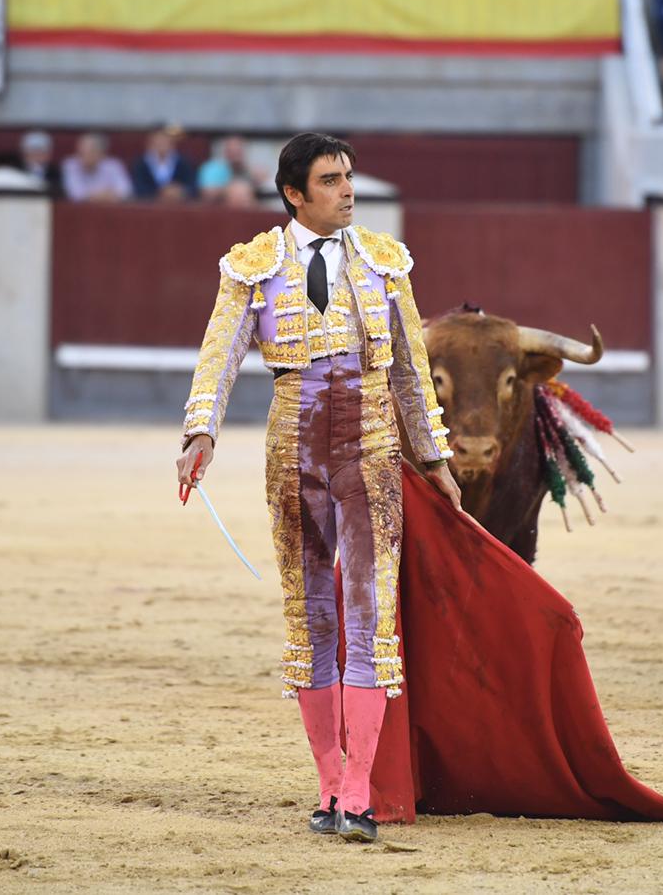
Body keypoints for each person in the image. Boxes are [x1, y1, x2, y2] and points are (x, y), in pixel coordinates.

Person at [175, 132, 463, 844]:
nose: (347, 190)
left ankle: (358, 792)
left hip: (372, 449)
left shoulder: (385, 261)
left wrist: (434, 457)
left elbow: (410, 368)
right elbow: (220, 353)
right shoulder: (254, 266)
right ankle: (329, 783)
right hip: (293, 451)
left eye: (348, 177)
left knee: (370, 614)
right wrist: (200, 433)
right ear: (294, 194)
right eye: (330, 180)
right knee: (311, 616)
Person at [132, 125, 197, 201]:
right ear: (150, 143)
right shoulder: (140, 164)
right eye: (158, 141)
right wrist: (161, 192)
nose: (161, 144)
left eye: (165, 140)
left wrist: (179, 191)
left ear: (172, 143)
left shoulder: (184, 162)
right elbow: (138, 189)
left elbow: (193, 187)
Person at [60, 132, 131, 201]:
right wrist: (105, 194)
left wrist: (91, 195)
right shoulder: (70, 165)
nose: (84, 156)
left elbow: (126, 191)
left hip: (111, 208)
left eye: (90, 152)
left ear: (101, 153)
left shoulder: (113, 165)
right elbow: (75, 195)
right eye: (81, 152)